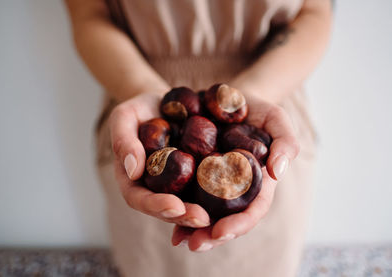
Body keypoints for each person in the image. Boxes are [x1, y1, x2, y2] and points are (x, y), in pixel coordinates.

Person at [65, 0, 332, 276]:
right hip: (135, 91)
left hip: (269, 98)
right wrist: (143, 87)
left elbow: (315, 13)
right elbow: (89, 16)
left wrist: (256, 92)